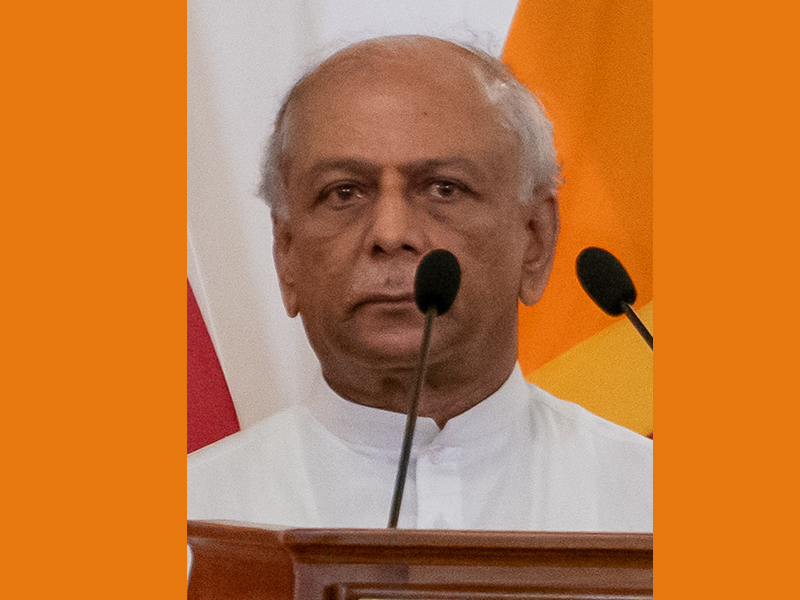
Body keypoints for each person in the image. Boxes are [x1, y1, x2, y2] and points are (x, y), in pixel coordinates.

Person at [187, 35, 652, 532]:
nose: (390, 234)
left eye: (444, 189)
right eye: (343, 193)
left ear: (534, 239)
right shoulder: (190, 517)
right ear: (286, 254)